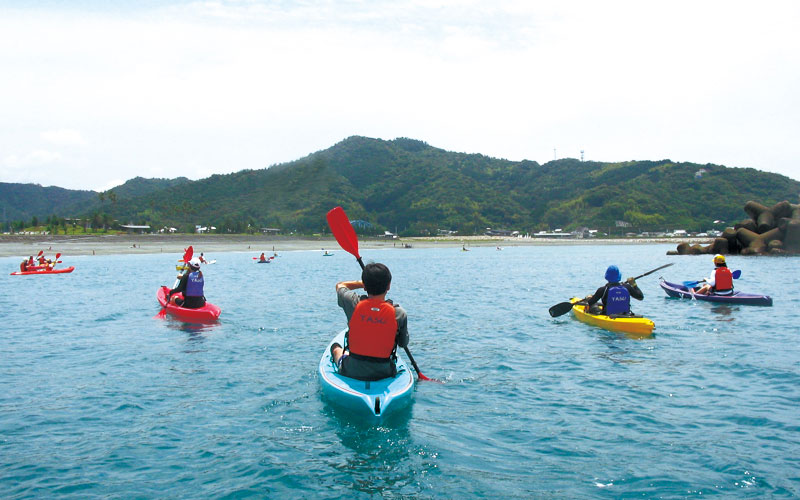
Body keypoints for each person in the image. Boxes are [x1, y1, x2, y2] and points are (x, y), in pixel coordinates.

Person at [330, 262, 409, 381]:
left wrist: (363, 283)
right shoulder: (399, 313)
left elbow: (340, 285)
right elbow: (403, 343)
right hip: (385, 372)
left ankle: (341, 356)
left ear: (365, 287)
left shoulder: (352, 302)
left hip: (351, 370)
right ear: (388, 286)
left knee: (335, 347)